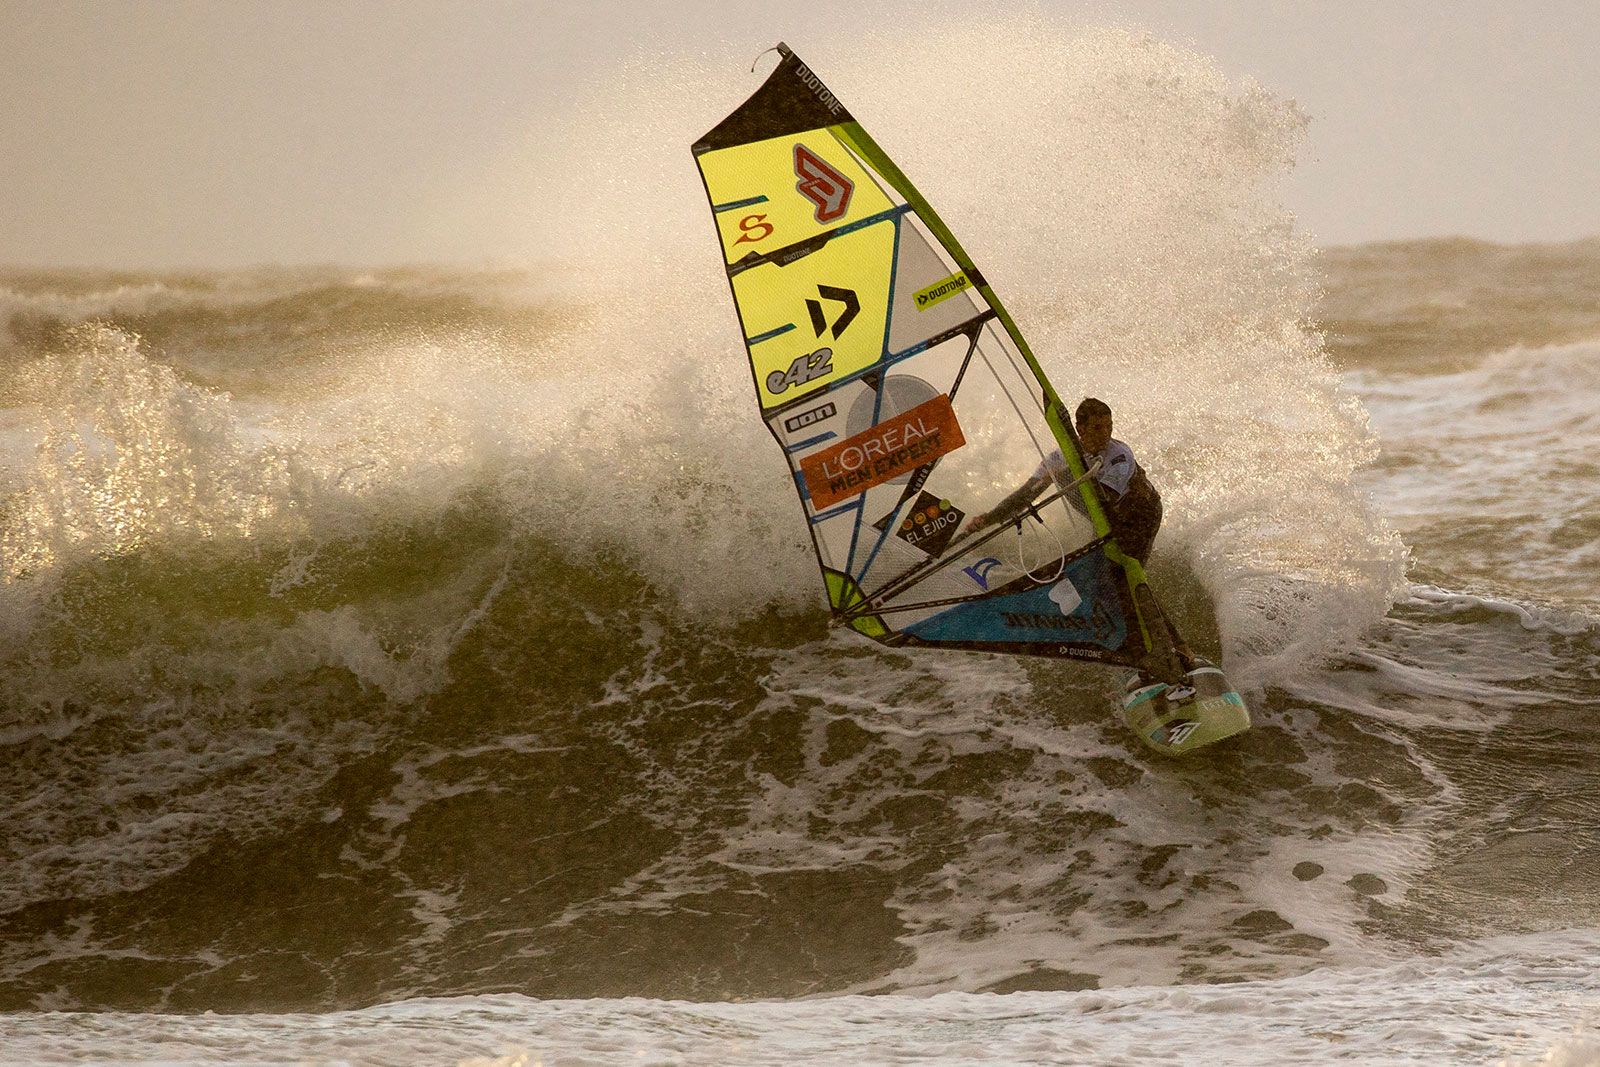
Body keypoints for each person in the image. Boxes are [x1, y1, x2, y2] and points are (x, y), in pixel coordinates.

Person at [966, 397, 1195, 672]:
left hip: (1140, 517)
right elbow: (1026, 494)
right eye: (1098, 427)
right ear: (1080, 429)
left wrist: (1075, 472)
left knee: (1124, 577)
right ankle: (1136, 647)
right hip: (1108, 521)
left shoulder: (1119, 456)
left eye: (1109, 426)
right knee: (1106, 584)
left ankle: (1177, 646)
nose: (1105, 434)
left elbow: (1104, 501)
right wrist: (988, 519)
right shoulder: (1058, 458)